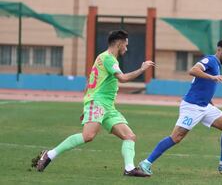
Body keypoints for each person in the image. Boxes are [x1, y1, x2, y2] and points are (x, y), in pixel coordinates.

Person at [31, 29, 154, 177]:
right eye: (125, 45)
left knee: (130, 136)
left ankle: (129, 168)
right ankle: (49, 155)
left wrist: (86, 106)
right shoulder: (108, 58)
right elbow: (122, 78)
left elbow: (89, 81)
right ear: (119, 43)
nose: (126, 49)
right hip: (98, 103)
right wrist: (142, 69)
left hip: (106, 106)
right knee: (88, 136)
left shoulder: (102, 57)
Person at [138, 39, 222, 176]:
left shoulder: (216, 64)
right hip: (192, 107)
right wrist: (213, 77)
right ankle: (146, 163)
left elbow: (201, 85)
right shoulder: (210, 60)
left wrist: (210, 101)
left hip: (205, 106)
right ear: (219, 50)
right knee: (176, 137)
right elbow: (193, 70)